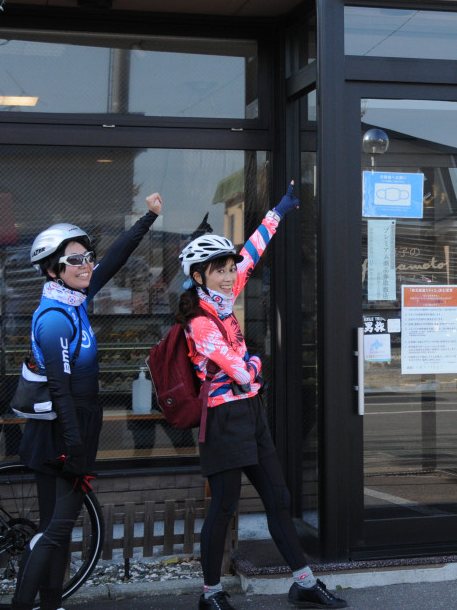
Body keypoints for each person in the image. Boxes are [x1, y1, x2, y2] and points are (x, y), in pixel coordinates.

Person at [176, 180, 346, 610]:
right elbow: (241, 370)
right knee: (224, 506)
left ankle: (304, 582)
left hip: (250, 414)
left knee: (278, 498)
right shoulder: (199, 321)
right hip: (222, 419)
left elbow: (253, 250)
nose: (232, 273)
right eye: (220, 269)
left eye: (230, 267)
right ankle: (210, 593)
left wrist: (279, 212)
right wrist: (252, 364)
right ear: (199, 276)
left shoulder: (227, 297)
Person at [12, 193, 163, 610]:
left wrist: (147, 220)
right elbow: (60, 389)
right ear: (52, 269)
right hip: (62, 432)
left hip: (75, 426)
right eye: (75, 261)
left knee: (57, 527)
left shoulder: (75, 300)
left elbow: (114, 259)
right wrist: (75, 448)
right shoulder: (56, 319)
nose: (86, 266)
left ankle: (50, 603)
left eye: (86, 257)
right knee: (56, 529)